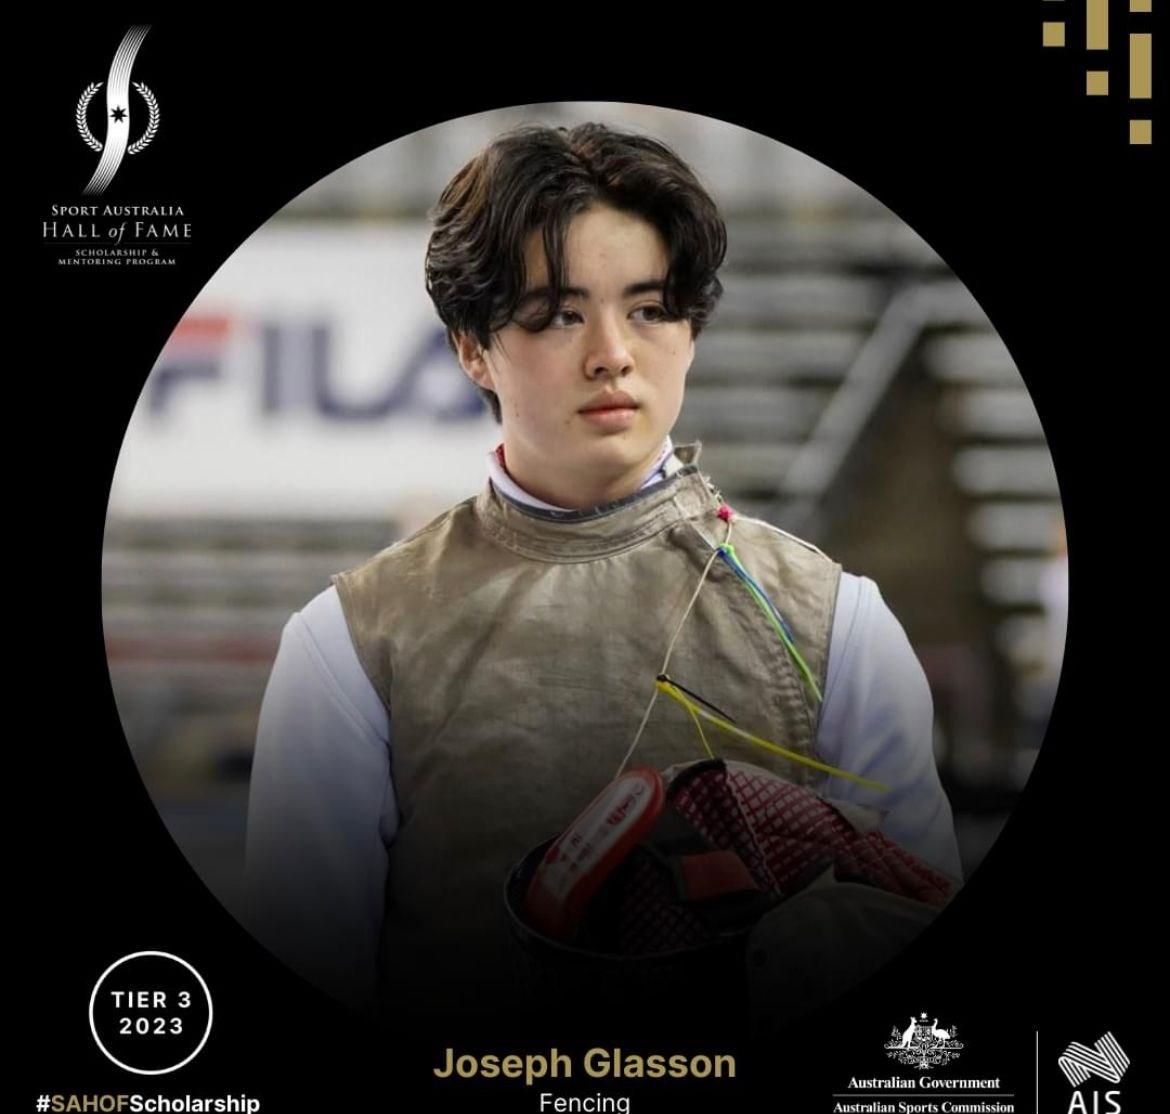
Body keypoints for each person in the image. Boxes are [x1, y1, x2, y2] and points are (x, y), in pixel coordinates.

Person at [245, 122, 961, 1019]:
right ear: (471, 345)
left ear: (691, 331)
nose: (613, 352)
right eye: (559, 313)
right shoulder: (351, 643)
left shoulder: (836, 622)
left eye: (650, 308)